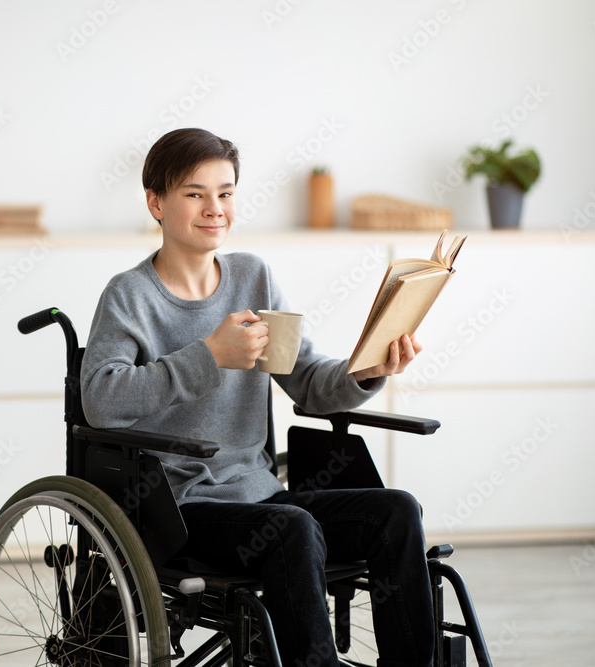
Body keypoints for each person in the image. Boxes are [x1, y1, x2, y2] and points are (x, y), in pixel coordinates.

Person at [80, 127, 434, 667]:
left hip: (261, 497)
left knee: (395, 511)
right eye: (194, 194)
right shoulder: (129, 295)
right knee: (291, 529)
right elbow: (101, 400)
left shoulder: (253, 277)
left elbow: (310, 381)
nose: (214, 208)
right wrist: (210, 355)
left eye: (225, 193)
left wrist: (367, 371)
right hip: (178, 509)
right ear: (156, 202)